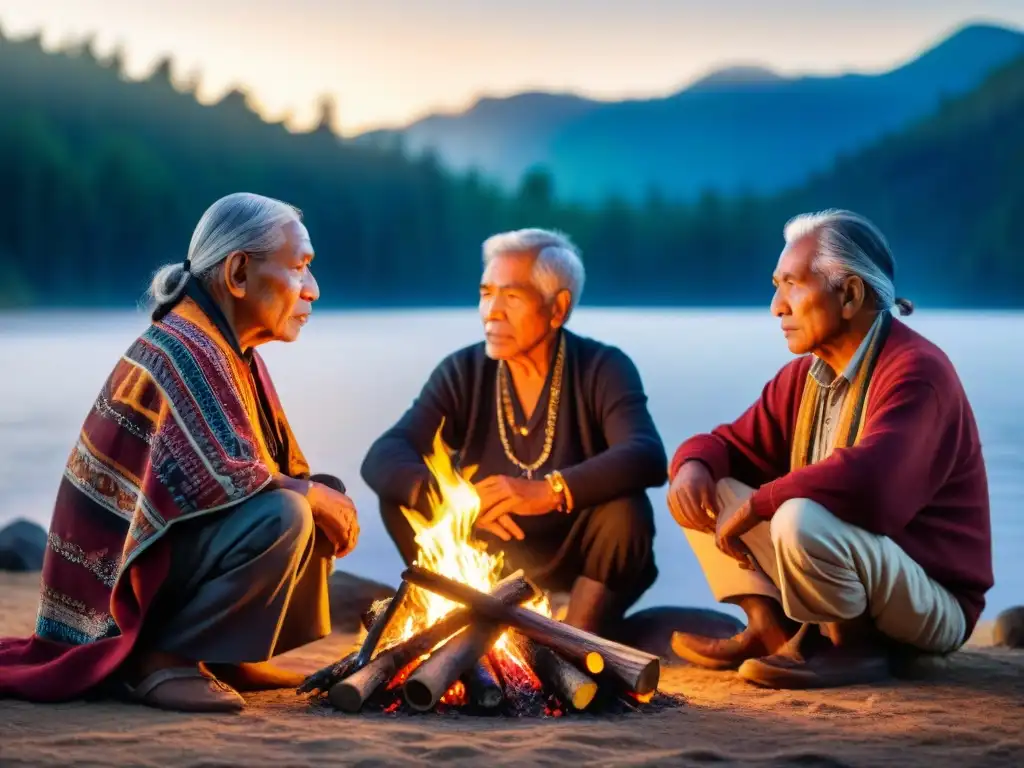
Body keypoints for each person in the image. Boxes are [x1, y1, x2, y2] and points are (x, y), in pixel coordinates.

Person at [0, 193, 360, 712]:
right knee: (286, 513)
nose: (313, 290)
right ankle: (161, 661)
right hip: (107, 600)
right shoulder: (185, 347)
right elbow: (222, 481)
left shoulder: (226, 345)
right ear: (238, 273)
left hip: (165, 558)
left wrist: (317, 493)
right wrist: (310, 497)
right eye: (300, 268)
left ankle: (225, 652)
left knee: (317, 495)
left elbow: (251, 470)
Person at [667, 209, 992, 688]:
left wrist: (762, 502)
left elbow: (873, 488)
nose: (777, 307)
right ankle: (768, 627)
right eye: (776, 286)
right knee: (704, 487)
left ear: (850, 295)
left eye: (792, 286)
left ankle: (850, 647)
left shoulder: (918, 372)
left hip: (933, 602)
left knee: (797, 516)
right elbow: (727, 445)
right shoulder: (805, 376)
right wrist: (692, 464)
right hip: (866, 578)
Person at [361, 228, 666, 634]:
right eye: (486, 293)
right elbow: (383, 455)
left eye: (512, 296)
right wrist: (460, 502)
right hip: (490, 553)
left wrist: (549, 492)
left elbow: (646, 455)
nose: (492, 311)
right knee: (403, 495)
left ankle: (575, 638)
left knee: (626, 510)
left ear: (557, 308)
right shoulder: (463, 372)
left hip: (575, 559)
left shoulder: (602, 367)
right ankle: (463, 618)